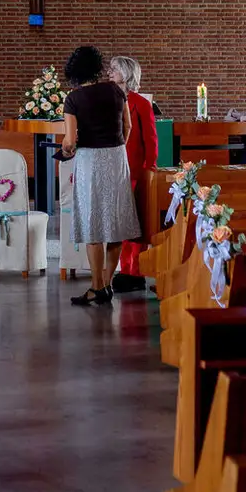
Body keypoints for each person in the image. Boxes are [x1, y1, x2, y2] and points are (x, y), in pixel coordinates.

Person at [59, 45, 139, 307]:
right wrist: (118, 147)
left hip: (91, 161)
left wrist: (65, 148)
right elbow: (127, 126)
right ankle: (107, 282)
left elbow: (70, 142)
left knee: (93, 224)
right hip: (117, 158)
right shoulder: (116, 90)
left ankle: (97, 286)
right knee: (115, 222)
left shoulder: (73, 99)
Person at [110, 55, 158, 293]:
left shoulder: (140, 103)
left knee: (135, 225)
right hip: (116, 169)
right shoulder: (110, 100)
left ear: (126, 74)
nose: (110, 73)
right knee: (121, 224)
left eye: (115, 69)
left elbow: (151, 140)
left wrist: (149, 169)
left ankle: (135, 271)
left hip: (136, 171)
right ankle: (124, 268)